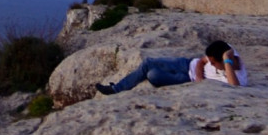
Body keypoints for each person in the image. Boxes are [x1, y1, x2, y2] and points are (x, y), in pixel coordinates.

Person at [95, 40, 247, 95]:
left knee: (152, 75)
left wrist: (227, 61)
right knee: (148, 62)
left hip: (187, 78)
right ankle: (116, 89)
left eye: (214, 63)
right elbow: (201, 61)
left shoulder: (236, 74)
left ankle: (127, 84)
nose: (211, 64)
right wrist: (200, 75)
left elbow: (235, 87)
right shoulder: (222, 49)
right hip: (187, 64)